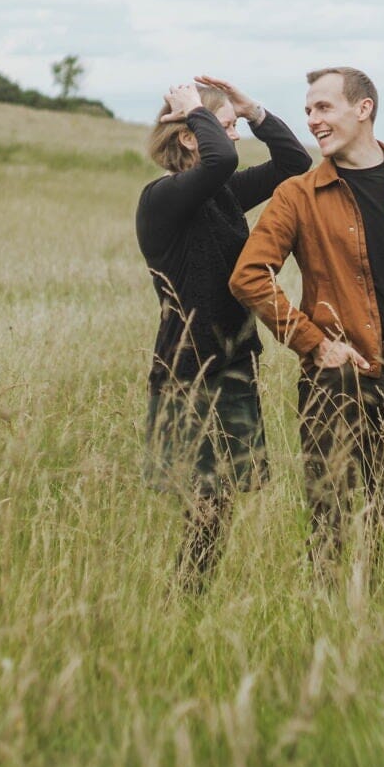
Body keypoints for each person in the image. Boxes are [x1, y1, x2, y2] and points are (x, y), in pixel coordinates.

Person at [229, 67, 384, 569]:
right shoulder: (297, 195)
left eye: (323, 108)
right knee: (332, 519)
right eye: (308, 111)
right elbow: (249, 277)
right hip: (336, 378)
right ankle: (329, 622)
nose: (313, 121)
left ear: (362, 108)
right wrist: (313, 343)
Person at [135, 76, 311, 587]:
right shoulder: (162, 198)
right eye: (225, 128)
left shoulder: (222, 195)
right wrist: (196, 109)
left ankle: (193, 592)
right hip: (189, 368)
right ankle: (182, 596)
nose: (232, 137)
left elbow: (294, 167)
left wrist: (254, 111)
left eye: (231, 128)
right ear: (190, 135)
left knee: (221, 499)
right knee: (203, 499)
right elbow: (222, 160)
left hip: (233, 362)